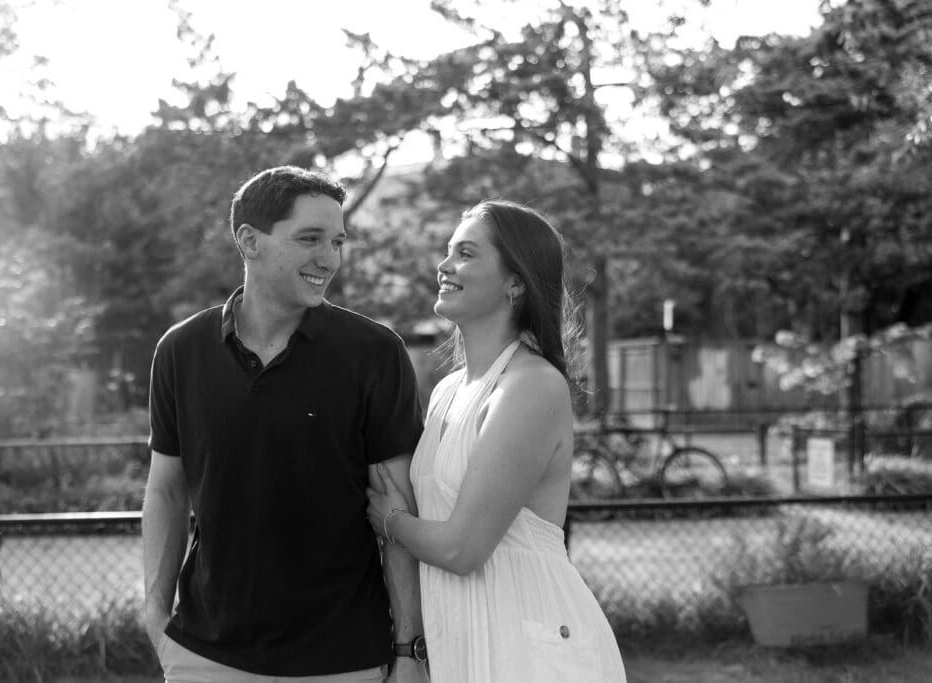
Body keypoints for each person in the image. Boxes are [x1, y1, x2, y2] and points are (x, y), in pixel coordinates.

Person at [142, 166, 428, 683]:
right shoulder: (180, 351)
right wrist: (155, 616)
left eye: (337, 241)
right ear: (249, 241)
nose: (329, 259)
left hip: (342, 659)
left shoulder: (374, 353)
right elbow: (165, 491)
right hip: (204, 655)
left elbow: (396, 505)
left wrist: (409, 649)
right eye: (310, 239)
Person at [366, 201, 626, 682]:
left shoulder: (531, 386)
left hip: (529, 642)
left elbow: (462, 549)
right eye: (447, 253)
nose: (444, 266)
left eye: (465, 253)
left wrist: (390, 520)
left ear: (515, 281)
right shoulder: (448, 388)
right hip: (458, 638)